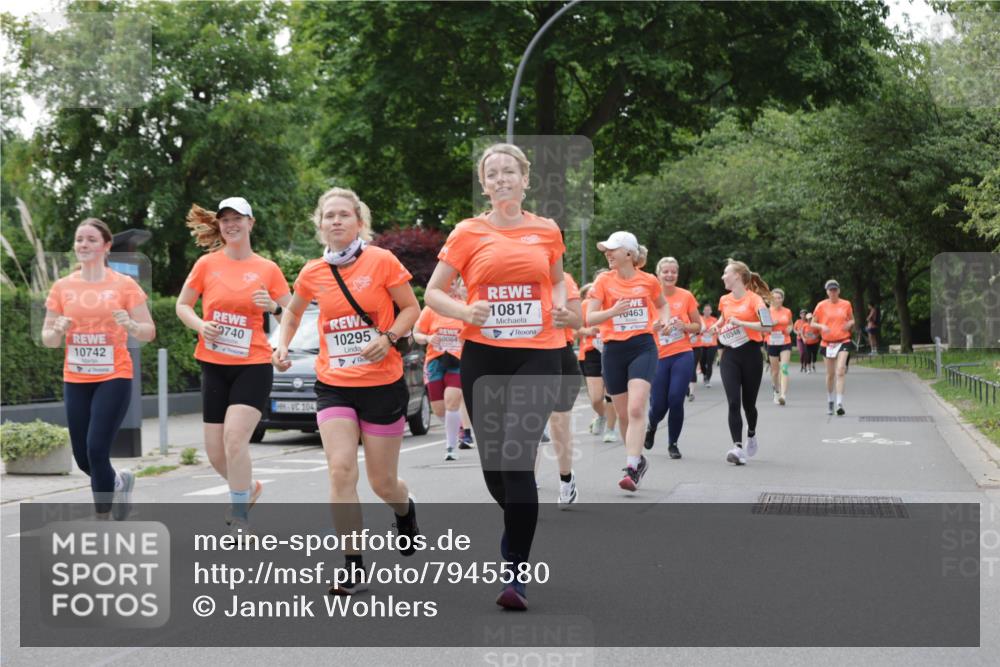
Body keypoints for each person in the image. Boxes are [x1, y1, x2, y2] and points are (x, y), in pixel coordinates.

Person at [424, 143, 570, 610]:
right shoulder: (468, 232)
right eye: (493, 174)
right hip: (484, 356)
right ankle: (517, 526)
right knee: (495, 472)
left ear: (526, 180)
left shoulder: (547, 230)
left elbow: (558, 281)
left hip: (538, 353)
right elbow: (432, 292)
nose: (502, 179)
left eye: (510, 171)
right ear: (484, 185)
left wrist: (565, 308)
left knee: (516, 457)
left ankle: (516, 572)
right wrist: (466, 309)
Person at [273, 187, 420, 594]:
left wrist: (388, 337)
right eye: (329, 216)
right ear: (319, 225)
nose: (336, 221)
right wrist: (281, 345)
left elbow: (412, 309)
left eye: (344, 215)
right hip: (334, 384)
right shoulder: (312, 272)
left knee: (382, 482)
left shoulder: (382, 261)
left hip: (382, 384)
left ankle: (405, 511)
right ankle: (353, 564)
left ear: (359, 221)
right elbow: (292, 312)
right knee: (340, 469)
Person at [176, 198, 291, 531]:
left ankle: (239, 516)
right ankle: (248, 488)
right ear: (220, 225)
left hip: (253, 364)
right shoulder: (206, 265)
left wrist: (273, 308)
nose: (231, 224)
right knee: (215, 452)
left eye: (237, 218)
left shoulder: (267, 268)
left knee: (235, 439)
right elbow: (183, 306)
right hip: (213, 363)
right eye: (225, 219)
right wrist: (200, 325)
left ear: (250, 223)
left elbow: (293, 315)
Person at [42, 218, 156, 520]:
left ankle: (102, 520)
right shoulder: (62, 286)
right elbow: (49, 339)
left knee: (96, 449)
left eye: (91, 240)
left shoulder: (123, 284)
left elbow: (148, 331)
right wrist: (58, 329)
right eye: (79, 239)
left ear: (106, 247)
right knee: (82, 458)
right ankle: (119, 482)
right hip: (76, 377)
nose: (84, 245)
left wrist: (132, 325)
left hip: (113, 376)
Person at [585, 231, 668, 491]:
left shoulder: (649, 280)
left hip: (643, 346)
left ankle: (631, 467)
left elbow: (662, 305)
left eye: (613, 249)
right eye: (606, 250)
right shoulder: (602, 281)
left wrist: (663, 321)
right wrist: (613, 311)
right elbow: (590, 318)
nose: (608, 254)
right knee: (622, 414)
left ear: (629, 254)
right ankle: (638, 459)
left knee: (635, 409)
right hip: (613, 350)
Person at [705, 259, 773, 465]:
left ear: (738, 276)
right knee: (733, 402)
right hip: (730, 355)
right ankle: (737, 447)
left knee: (748, 405)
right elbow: (724, 319)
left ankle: (751, 433)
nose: (723, 277)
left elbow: (767, 326)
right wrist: (716, 326)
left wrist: (741, 322)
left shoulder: (755, 300)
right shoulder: (724, 300)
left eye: (726, 273)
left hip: (751, 354)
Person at [644, 257, 702, 459]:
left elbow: (698, 325)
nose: (670, 275)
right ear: (658, 274)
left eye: (673, 272)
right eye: (665, 271)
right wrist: (653, 327)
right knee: (658, 405)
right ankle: (651, 425)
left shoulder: (686, 296)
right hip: (657, 356)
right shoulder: (649, 297)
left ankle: (673, 444)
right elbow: (640, 327)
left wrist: (684, 326)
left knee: (676, 398)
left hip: (682, 353)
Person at [413, 277, 470, 460]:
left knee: (452, 400)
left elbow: (476, 331)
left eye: (452, 284)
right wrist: (429, 339)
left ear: (455, 288)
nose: (449, 287)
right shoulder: (430, 310)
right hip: (435, 360)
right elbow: (416, 334)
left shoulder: (464, 308)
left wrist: (465, 339)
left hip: (457, 359)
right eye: (446, 284)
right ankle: (457, 427)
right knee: (438, 408)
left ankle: (451, 446)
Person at [543, 270, 583, 507]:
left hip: (560, 354)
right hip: (524, 355)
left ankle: (566, 478)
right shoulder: (514, 276)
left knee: (559, 422)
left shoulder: (564, 279)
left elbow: (578, 320)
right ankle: (524, 488)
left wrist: (562, 315)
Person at [812, 279, 855, 416]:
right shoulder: (821, 305)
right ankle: (830, 400)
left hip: (843, 340)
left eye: (835, 289)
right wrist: (821, 326)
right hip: (827, 343)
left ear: (839, 290)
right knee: (830, 375)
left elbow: (852, 319)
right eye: (830, 290)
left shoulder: (846, 304)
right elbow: (813, 323)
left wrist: (850, 324)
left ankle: (839, 403)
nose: (833, 292)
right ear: (827, 292)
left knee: (840, 370)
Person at [767, 288, 794, 406]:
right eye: (775, 298)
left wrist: (790, 328)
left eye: (779, 298)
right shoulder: (766, 311)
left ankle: (783, 395)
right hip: (771, 342)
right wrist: (771, 325)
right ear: (771, 299)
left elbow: (790, 323)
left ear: (782, 299)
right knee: (775, 371)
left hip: (785, 342)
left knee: (784, 368)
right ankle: (776, 392)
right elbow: (762, 328)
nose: (777, 300)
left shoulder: (787, 311)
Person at [698, 304, 719, 386]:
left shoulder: (714, 320)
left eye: (708, 310)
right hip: (702, 344)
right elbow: (698, 329)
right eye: (705, 310)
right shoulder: (700, 319)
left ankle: (707, 379)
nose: (707, 311)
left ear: (711, 311)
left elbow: (717, 330)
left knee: (709, 363)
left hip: (712, 344)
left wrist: (712, 332)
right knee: (702, 362)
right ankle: (704, 374)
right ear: (703, 311)